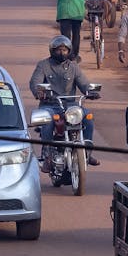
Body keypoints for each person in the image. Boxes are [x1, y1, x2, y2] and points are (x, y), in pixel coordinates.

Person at [29, 36, 100, 166]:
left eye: (65, 50)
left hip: (71, 106)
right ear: (52, 50)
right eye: (59, 50)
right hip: (50, 105)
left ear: (69, 51)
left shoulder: (73, 67)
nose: (62, 53)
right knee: (48, 121)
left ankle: (87, 152)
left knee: (88, 117)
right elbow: (35, 82)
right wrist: (39, 92)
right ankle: (47, 155)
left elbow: (83, 83)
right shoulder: (43, 65)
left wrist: (90, 91)